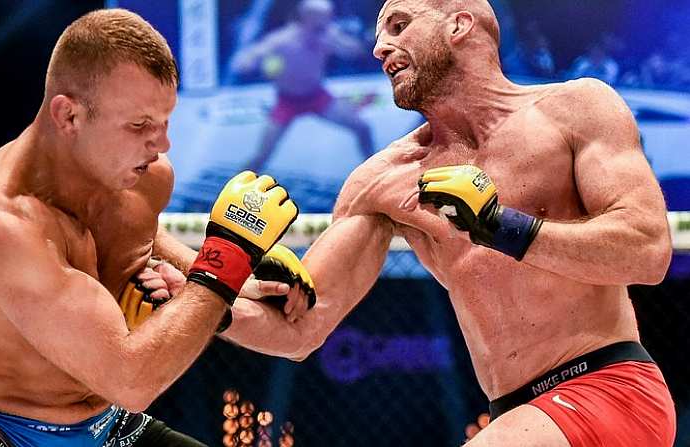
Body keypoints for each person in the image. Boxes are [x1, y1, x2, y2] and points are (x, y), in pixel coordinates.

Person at [219, 1, 678, 445]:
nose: (380, 47)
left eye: (398, 26)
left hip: (607, 388)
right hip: (514, 414)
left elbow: (646, 251)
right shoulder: (383, 180)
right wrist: (203, 290)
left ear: (459, 25)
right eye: (379, 35)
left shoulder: (575, 109)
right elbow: (299, 329)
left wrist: (500, 227)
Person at [0, 9, 300, 447]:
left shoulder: (143, 178)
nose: (162, 145)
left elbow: (140, 237)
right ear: (69, 117)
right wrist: (224, 262)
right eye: (139, 126)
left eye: (164, 122)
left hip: (103, 423)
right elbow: (132, 383)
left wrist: (231, 273)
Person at [230, 0, 375, 173]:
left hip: (316, 96)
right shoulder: (284, 39)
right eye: (323, 17)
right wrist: (250, 61)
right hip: (287, 102)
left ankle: (374, 173)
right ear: (307, 17)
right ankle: (236, 187)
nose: (328, 20)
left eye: (328, 16)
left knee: (362, 128)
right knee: (262, 155)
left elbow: (355, 52)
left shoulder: (328, 35)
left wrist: (339, 41)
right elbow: (243, 62)